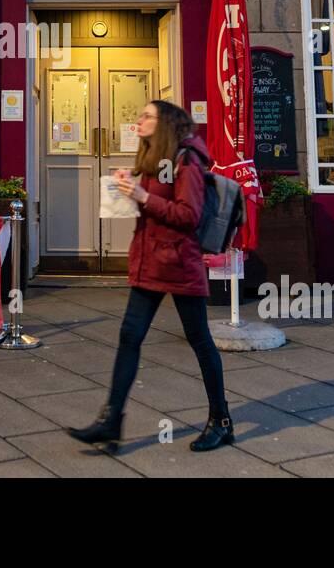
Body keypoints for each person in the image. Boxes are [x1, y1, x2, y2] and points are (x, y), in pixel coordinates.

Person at [68, 100, 235, 452]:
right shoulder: (159, 159)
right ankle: (110, 422)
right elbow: (157, 201)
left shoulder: (187, 159)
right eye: (140, 114)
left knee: (200, 341)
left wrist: (143, 196)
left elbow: (188, 215)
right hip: (150, 262)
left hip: (178, 263)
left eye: (147, 116)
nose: (139, 120)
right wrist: (127, 187)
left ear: (165, 124)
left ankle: (221, 420)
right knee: (129, 335)